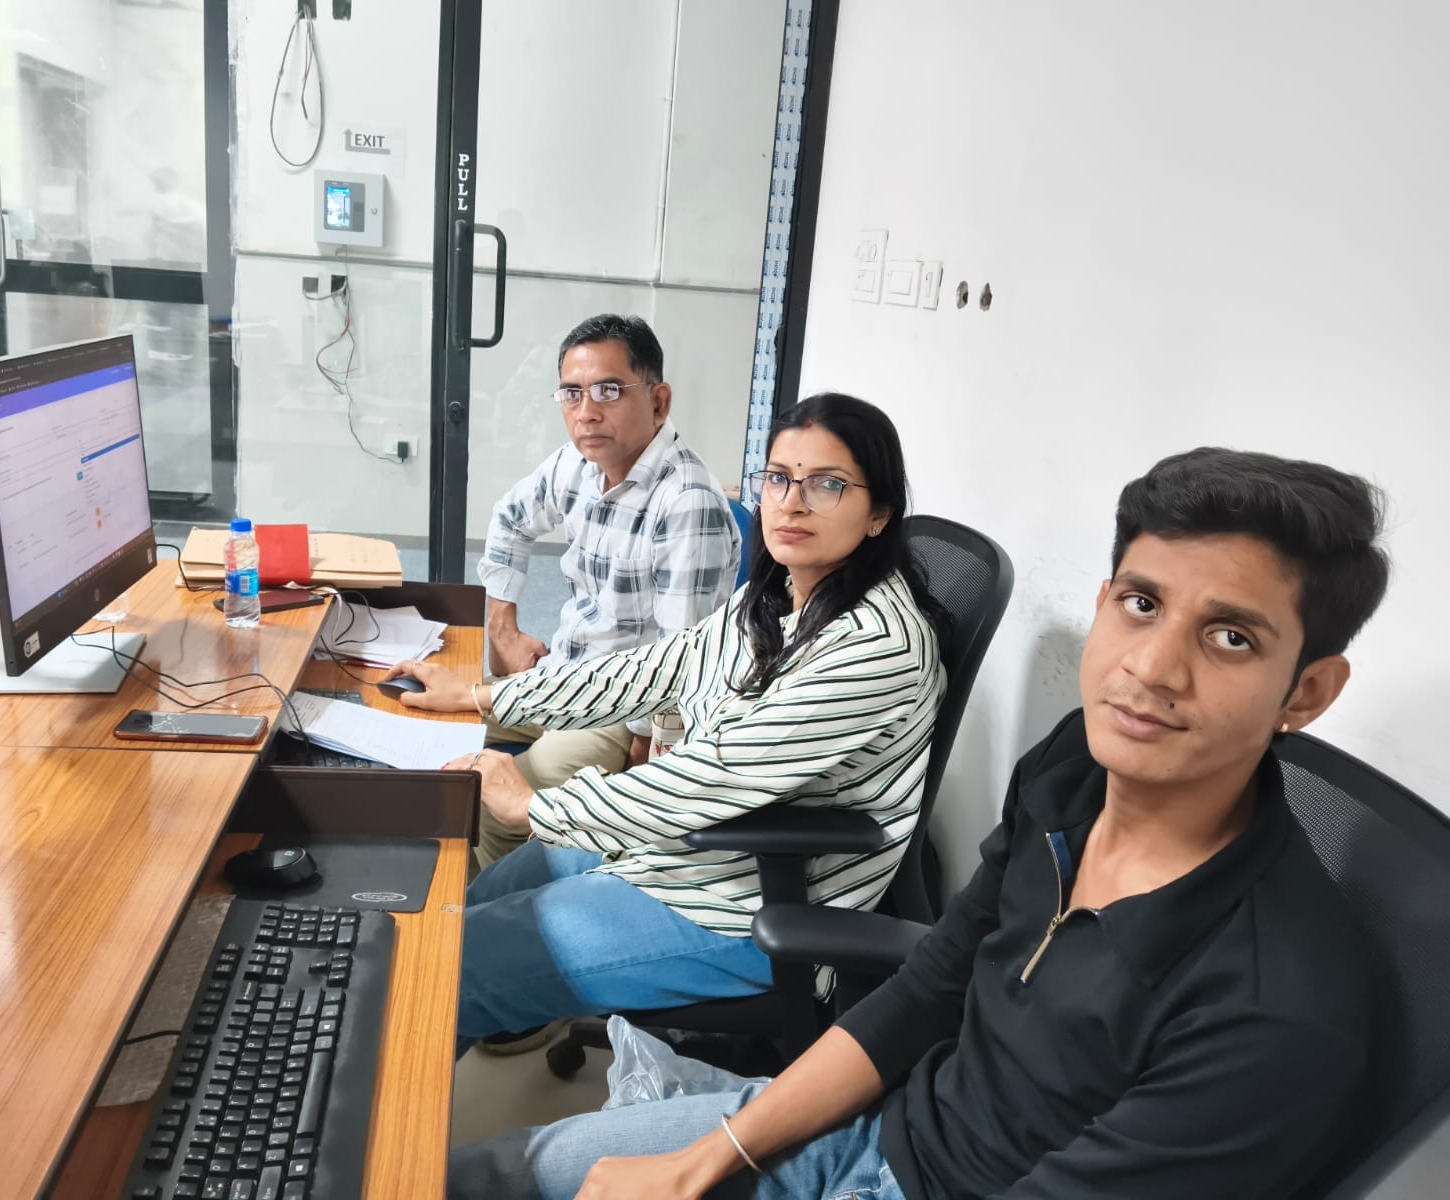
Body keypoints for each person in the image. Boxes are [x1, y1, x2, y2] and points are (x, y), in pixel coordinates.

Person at [445, 446, 1392, 1200]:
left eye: (1230, 637)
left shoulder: (1277, 1011)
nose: (1151, 668)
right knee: (501, 1173)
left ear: (1307, 691)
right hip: (882, 1127)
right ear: (1106, 604)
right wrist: (711, 1156)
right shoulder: (1074, 770)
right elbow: (932, 986)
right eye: (1142, 605)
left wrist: (540, 800)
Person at [390, 393, 948, 1057]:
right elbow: (648, 671)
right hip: (679, 854)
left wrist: (536, 805)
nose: (791, 503)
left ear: (880, 512)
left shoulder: (875, 647)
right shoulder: (774, 598)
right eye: (778, 478)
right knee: (459, 910)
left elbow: (716, 775)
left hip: (741, 908)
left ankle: (402, 1106)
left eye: (826, 484)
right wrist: (482, 695)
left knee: (449, 966)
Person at [472, 313, 742, 871]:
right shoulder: (579, 461)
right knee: (435, 721)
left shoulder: (687, 503)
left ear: (659, 402)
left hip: (621, 708)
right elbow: (509, 519)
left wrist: (644, 757)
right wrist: (503, 630)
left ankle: (483, 912)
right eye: (572, 393)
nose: (587, 412)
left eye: (609, 391)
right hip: (563, 674)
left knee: (497, 797)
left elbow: (679, 664)